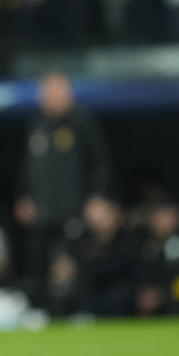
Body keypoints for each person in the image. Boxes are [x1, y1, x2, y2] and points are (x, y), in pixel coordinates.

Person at [14, 71, 112, 312]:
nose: (53, 99)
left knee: (79, 262)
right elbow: (27, 168)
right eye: (48, 93)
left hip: (75, 210)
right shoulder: (36, 127)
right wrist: (24, 196)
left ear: (68, 95)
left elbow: (101, 163)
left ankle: (83, 310)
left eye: (58, 92)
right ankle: (41, 310)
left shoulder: (82, 123)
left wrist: (98, 197)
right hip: (44, 213)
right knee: (38, 259)